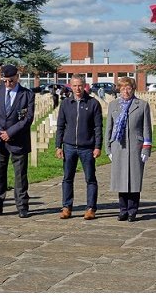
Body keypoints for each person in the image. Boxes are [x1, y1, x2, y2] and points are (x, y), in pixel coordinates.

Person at [0, 64, 35, 218]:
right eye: (5, 81)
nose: (8, 84)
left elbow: (28, 118)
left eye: (11, 81)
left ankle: (22, 206)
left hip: (18, 140)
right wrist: (1, 132)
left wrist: (10, 132)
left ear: (17, 77)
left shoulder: (27, 95)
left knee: (20, 174)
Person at [55, 74, 103, 220]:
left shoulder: (93, 103)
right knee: (67, 178)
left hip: (87, 147)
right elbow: (60, 126)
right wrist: (58, 145)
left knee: (90, 178)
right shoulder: (65, 103)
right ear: (70, 86)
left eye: (80, 85)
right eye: (74, 85)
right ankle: (67, 207)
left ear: (85, 86)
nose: (77, 88)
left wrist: (97, 146)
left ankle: (90, 208)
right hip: (69, 146)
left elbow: (98, 127)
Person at [104, 77, 152, 222]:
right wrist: (108, 148)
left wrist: (146, 149)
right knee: (121, 179)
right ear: (119, 89)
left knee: (134, 179)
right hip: (118, 146)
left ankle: (132, 210)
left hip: (135, 147)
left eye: (128, 88)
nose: (126, 91)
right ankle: (123, 210)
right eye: (123, 88)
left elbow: (146, 128)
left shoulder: (142, 105)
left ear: (133, 89)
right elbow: (109, 128)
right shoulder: (113, 105)